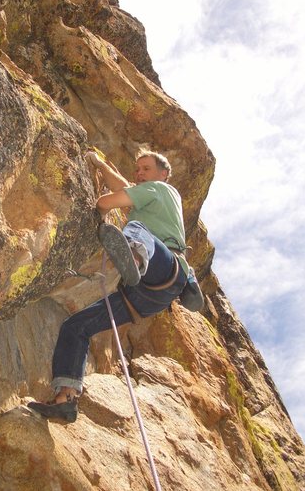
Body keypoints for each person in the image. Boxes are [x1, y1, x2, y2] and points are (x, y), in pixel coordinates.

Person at [28, 150, 189, 422]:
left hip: (165, 267)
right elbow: (125, 189)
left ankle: (135, 256)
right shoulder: (152, 199)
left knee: (136, 226)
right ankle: (65, 399)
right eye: (138, 169)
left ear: (163, 174)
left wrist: (100, 210)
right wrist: (101, 166)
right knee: (75, 326)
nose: (140, 173)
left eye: (146, 168)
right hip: (145, 296)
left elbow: (108, 201)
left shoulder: (161, 189)